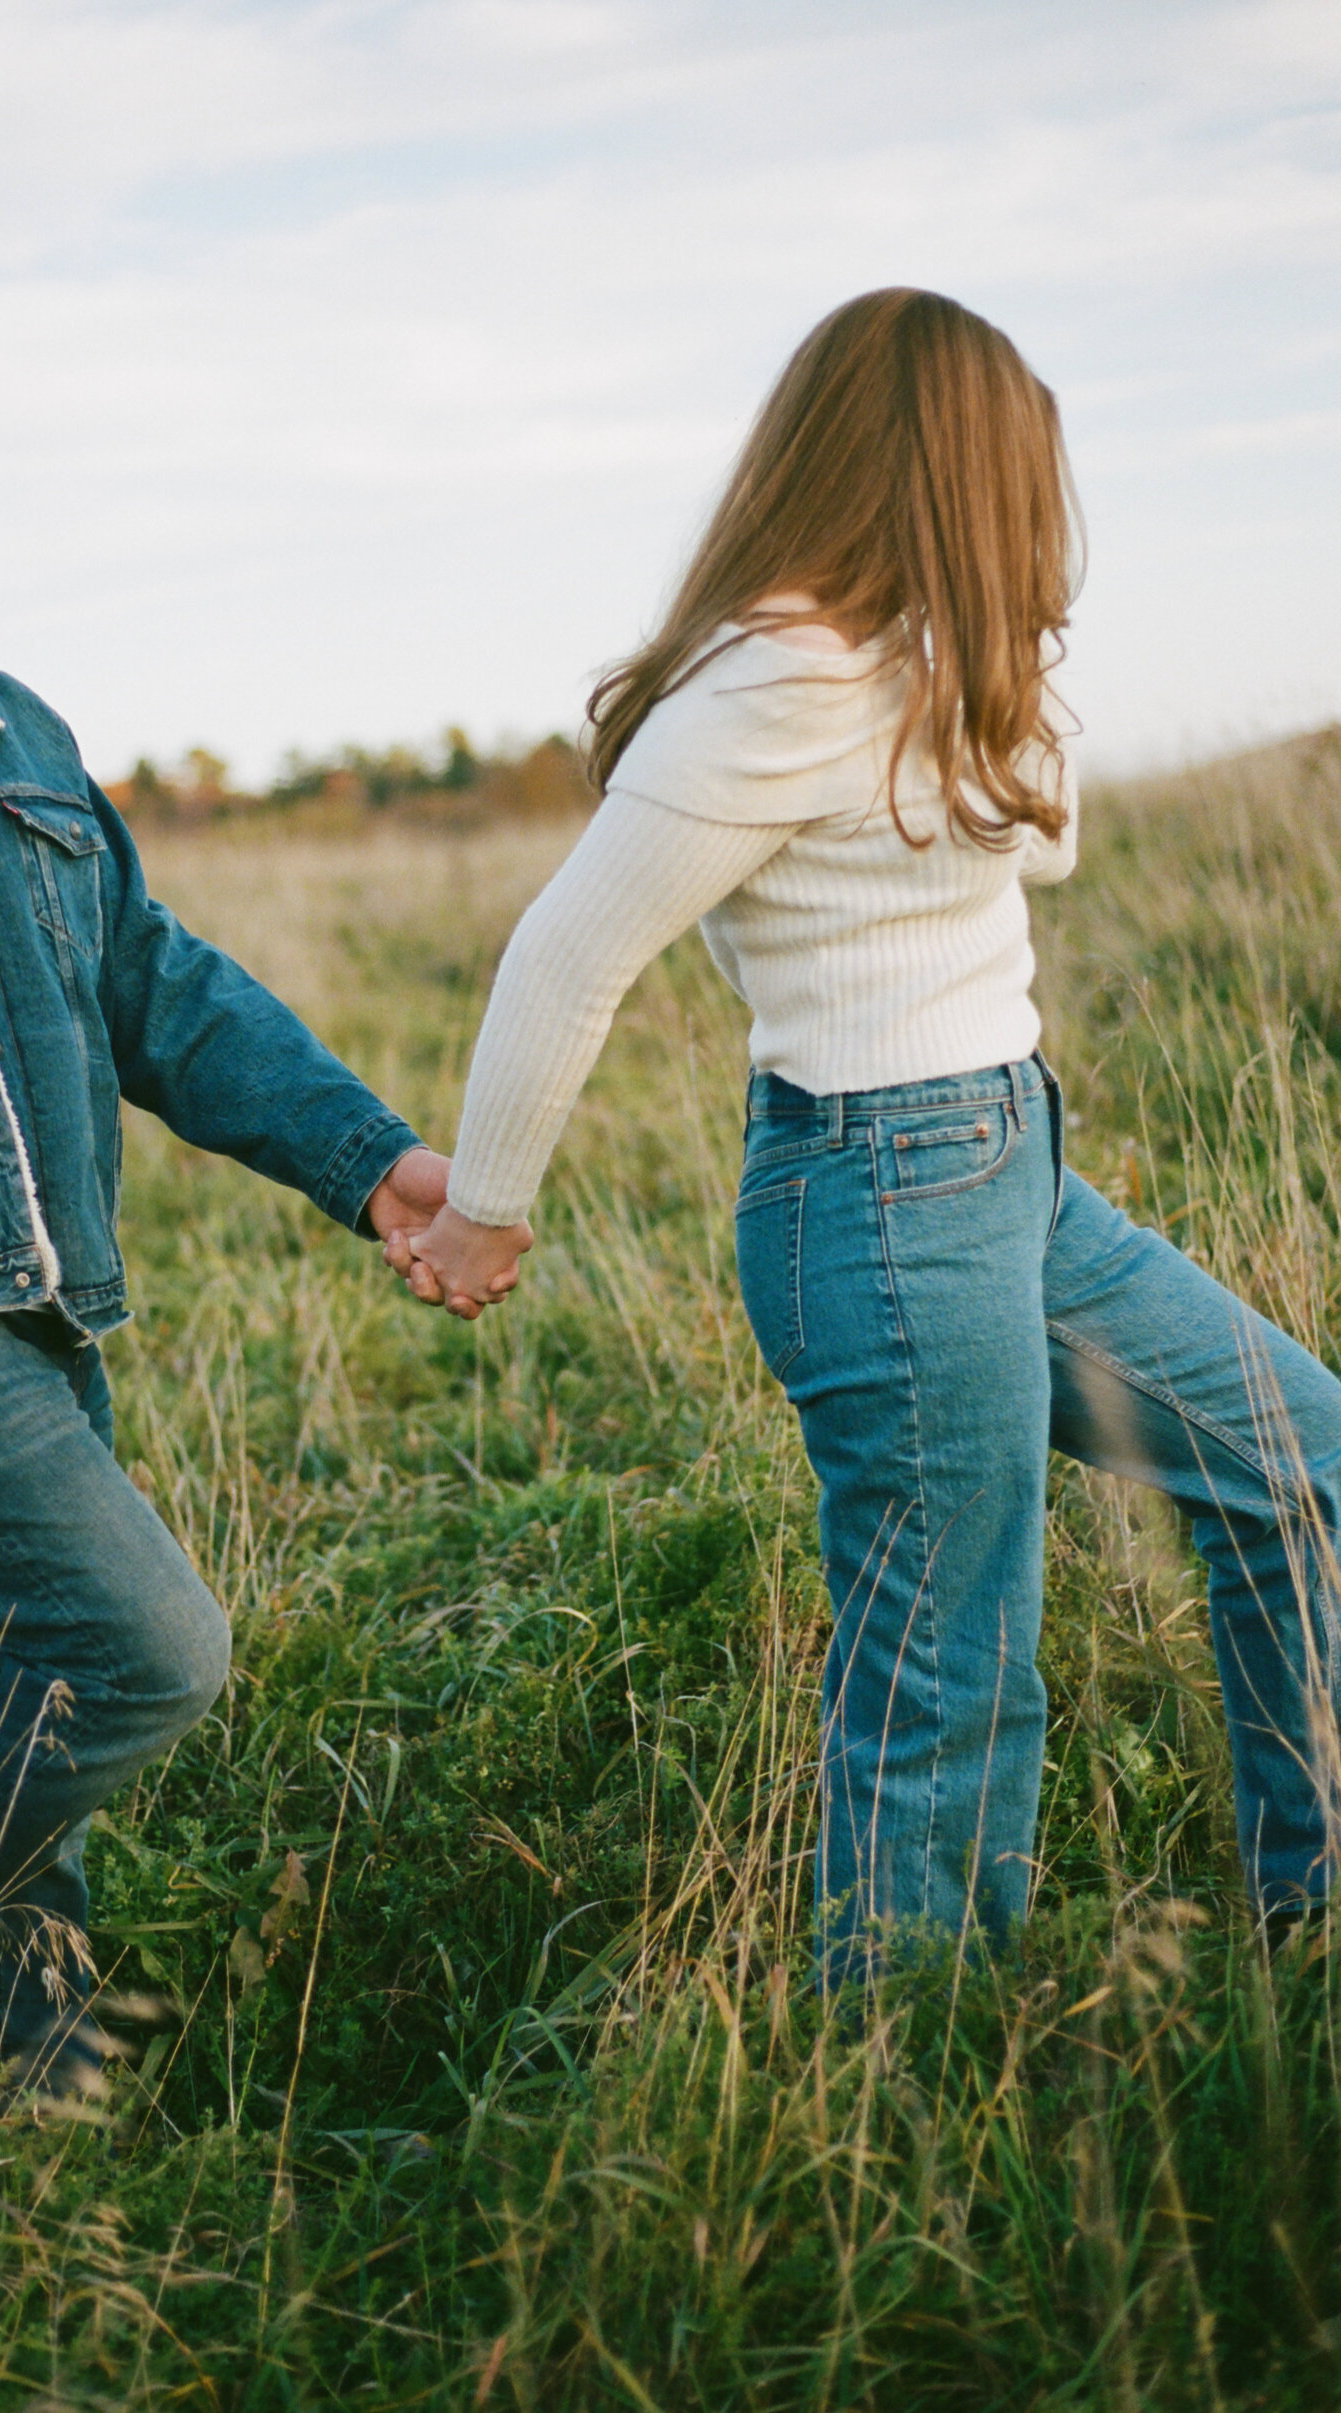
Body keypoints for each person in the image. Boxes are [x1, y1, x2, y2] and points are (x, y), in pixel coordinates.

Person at [395, 288, 1341, 1970]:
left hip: (1010, 1169)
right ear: (950, 475)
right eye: (1020, 483)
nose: (1042, 520)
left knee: (1303, 1461)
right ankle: (906, 2075)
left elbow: (1038, 841)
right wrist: (490, 1204)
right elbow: (568, 949)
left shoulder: (902, 667)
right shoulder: (775, 683)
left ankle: (1310, 1907)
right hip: (890, 1191)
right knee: (953, 1655)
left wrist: (994, 658)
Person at [0, 271, 466, 2091]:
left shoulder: (0, 723)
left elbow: (155, 986)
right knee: (136, 1645)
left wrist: (369, 1162)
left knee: (8, 1675)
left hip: (37, 1296)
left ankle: (24, 2026)